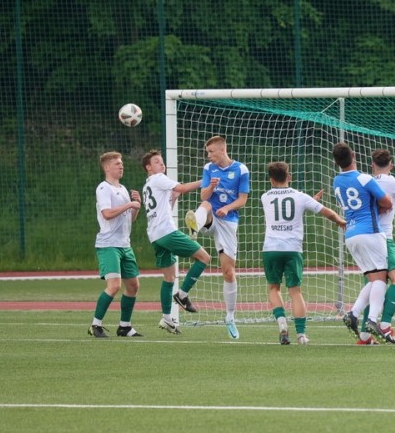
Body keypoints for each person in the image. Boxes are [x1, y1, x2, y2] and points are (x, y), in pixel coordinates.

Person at [261, 161, 347, 346]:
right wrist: (340, 221)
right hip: (292, 249)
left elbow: (284, 209)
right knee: (295, 291)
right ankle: (301, 335)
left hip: (271, 248)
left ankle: (282, 325)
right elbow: (326, 212)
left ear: (271, 180)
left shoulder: (265, 197)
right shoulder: (300, 196)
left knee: (274, 288)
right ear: (289, 176)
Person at [342, 149, 395, 346]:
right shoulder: (390, 181)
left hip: (360, 234)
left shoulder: (365, 180)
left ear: (372, 164)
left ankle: (364, 335)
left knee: (374, 284)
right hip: (382, 237)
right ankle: (384, 325)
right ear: (391, 165)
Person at [184, 135, 250, 339]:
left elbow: (243, 200)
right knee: (206, 204)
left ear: (222, 150)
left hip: (228, 222)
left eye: (211, 152)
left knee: (228, 273)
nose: (209, 156)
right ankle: (195, 227)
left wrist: (228, 208)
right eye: (208, 152)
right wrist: (211, 186)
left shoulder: (241, 169)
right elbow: (203, 196)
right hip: (210, 216)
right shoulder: (208, 168)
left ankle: (230, 316)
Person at [141, 150, 212, 336]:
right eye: (156, 162)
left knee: (169, 278)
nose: (161, 164)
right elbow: (182, 188)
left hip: (155, 236)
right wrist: (205, 181)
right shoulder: (158, 178)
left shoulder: (147, 186)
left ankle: (166, 318)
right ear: (149, 167)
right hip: (167, 232)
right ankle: (182, 295)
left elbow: (168, 204)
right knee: (204, 257)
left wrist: (173, 197)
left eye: (161, 161)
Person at [331, 143, 393, 345]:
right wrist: (375, 207)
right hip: (370, 232)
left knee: (373, 278)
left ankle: (354, 313)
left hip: (350, 234)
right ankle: (372, 320)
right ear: (354, 155)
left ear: (336, 162)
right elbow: (387, 202)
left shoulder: (336, 181)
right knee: (381, 278)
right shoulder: (365, 178)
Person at [90, 151, 143, 338]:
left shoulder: (123, 188)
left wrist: (136, 204)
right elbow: (107, 214)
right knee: (114, 285)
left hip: (124, 245)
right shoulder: (104, 188)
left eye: (121, 163)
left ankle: (124, 327)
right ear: (107, 167)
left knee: (133, 286)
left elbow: (130, 218)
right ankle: (95, 325)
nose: (121, 166)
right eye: (117, 164)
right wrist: (129, 205)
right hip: (108, 244)